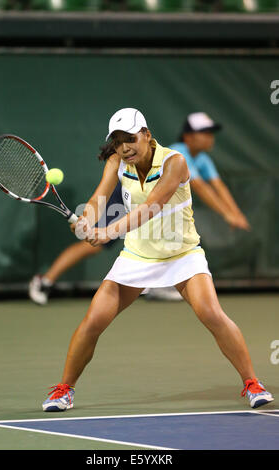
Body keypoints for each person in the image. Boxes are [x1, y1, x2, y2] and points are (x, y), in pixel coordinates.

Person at [41, 107, 273, 412]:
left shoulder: (175, 162)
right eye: (118, 141)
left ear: (147, 135)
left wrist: (107, 232)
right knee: (94, 320)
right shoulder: (116, 162)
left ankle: (252, 383)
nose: (125, 147)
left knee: (211, 314)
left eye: (131, 138)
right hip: (137, 256)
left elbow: (151, 207)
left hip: (182, 255)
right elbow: (99, 198)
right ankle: (63, 390)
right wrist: (86, 220)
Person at [145, 111, 251, 301]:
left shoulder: (202, 158)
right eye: (204, 132)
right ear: (188, 136)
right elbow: (200, 186)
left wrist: (236, 213)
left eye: (211, 133)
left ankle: (163, 283)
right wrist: (227, 215)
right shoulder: (178, 152)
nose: (210, 138)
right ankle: (156, 285)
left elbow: (218, 186)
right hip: (144, 200)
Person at [29, 181, 125, 305]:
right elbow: (100, 194)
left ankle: (155, 282)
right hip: (127, 190)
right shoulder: (117, 164)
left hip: (149, 194)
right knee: (92, 245)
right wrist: (87, 219)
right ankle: (44, 282)